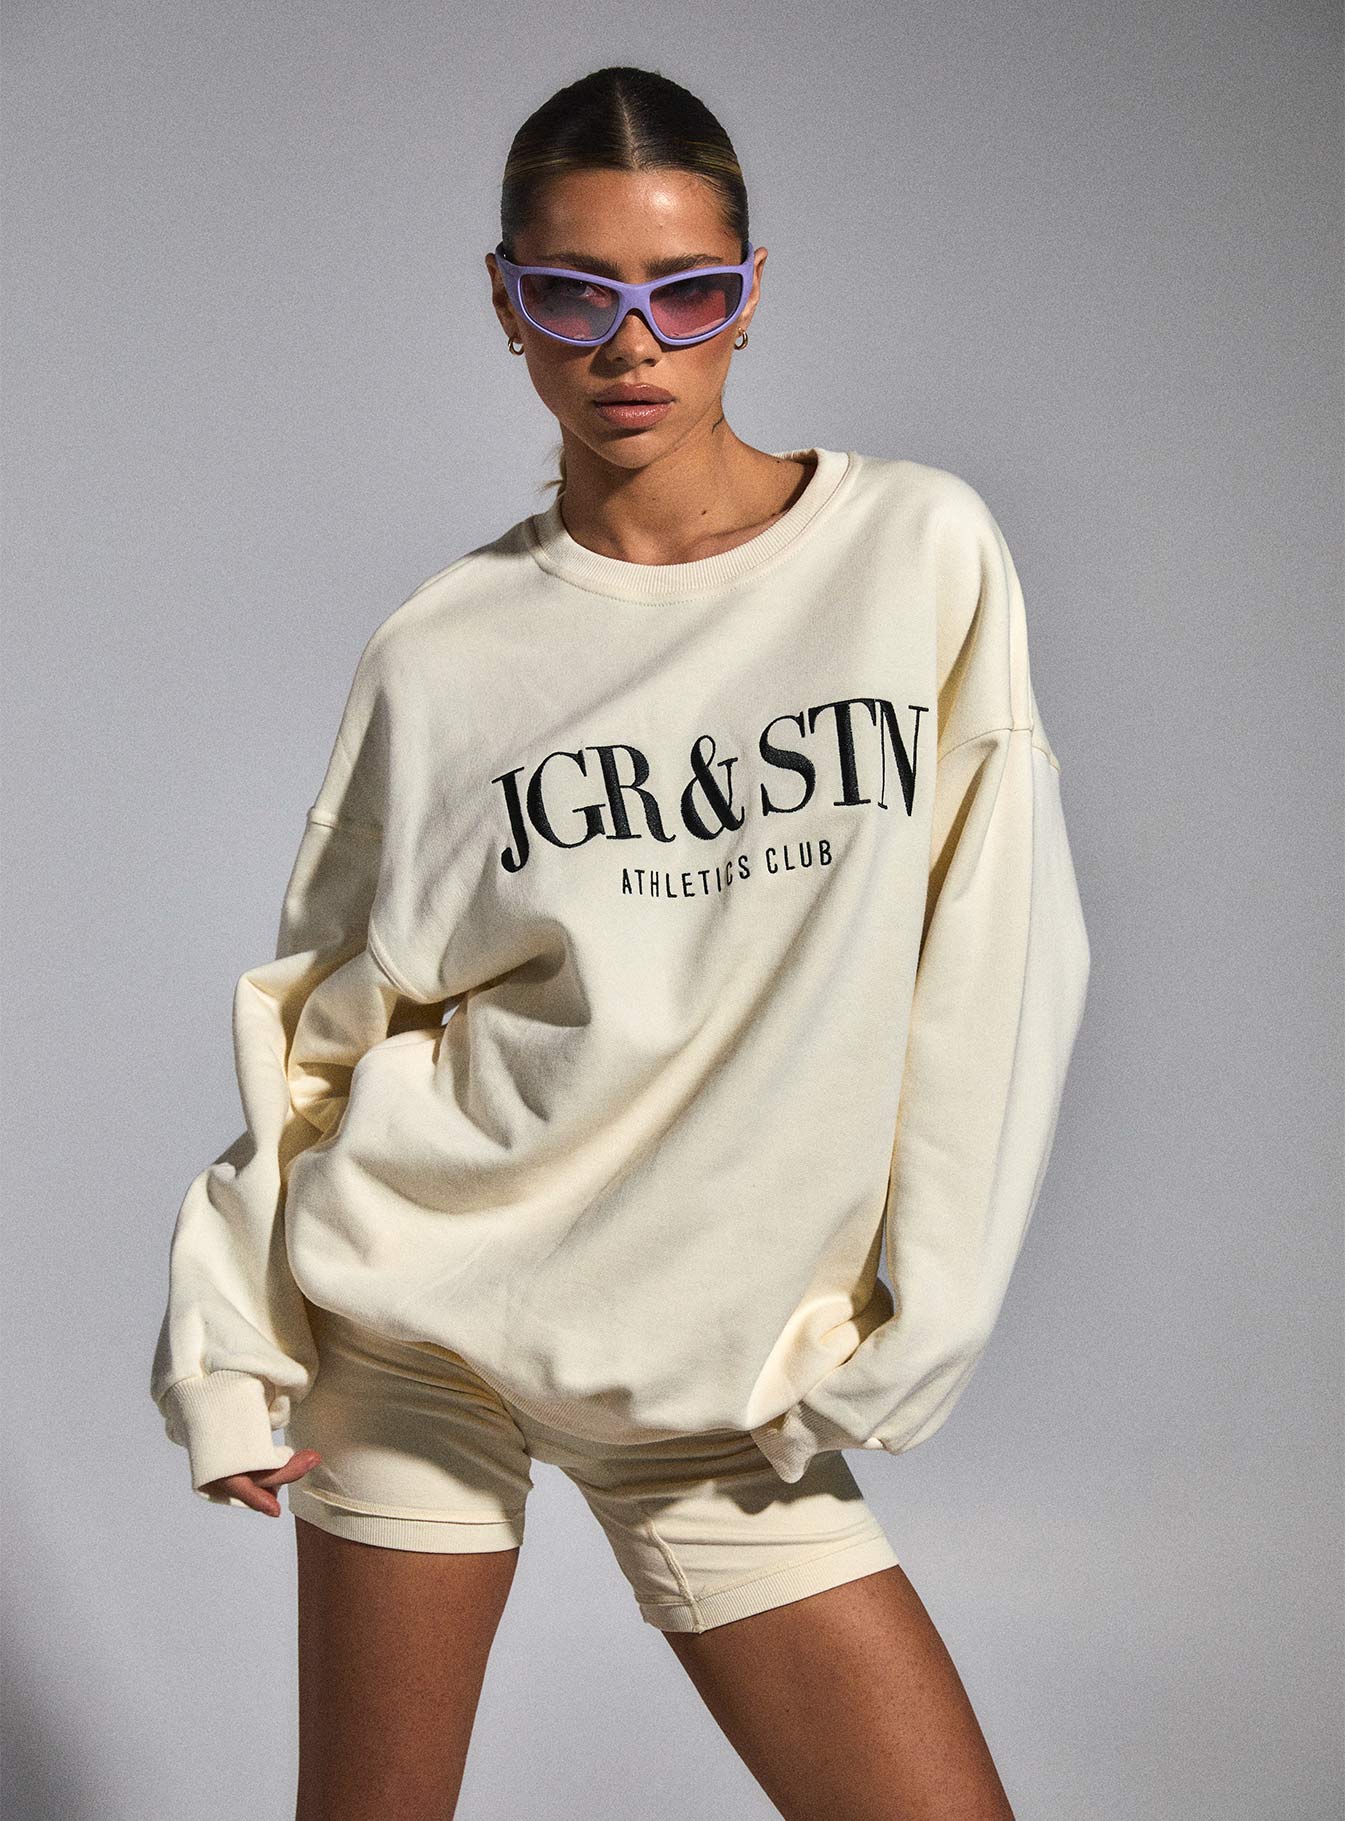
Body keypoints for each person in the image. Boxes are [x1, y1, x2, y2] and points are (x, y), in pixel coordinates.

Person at [149, 62, 1090, 1821]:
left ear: (751, 292)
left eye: (686, 292)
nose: (632, 344)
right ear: (506, 302)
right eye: (576, 293)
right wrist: (226, 1353)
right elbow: (320, 1017)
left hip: (715, 1368)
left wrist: (922, 1316)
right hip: (422, 1323)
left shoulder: (914, 549)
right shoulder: (447, 647)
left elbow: (998, 950)